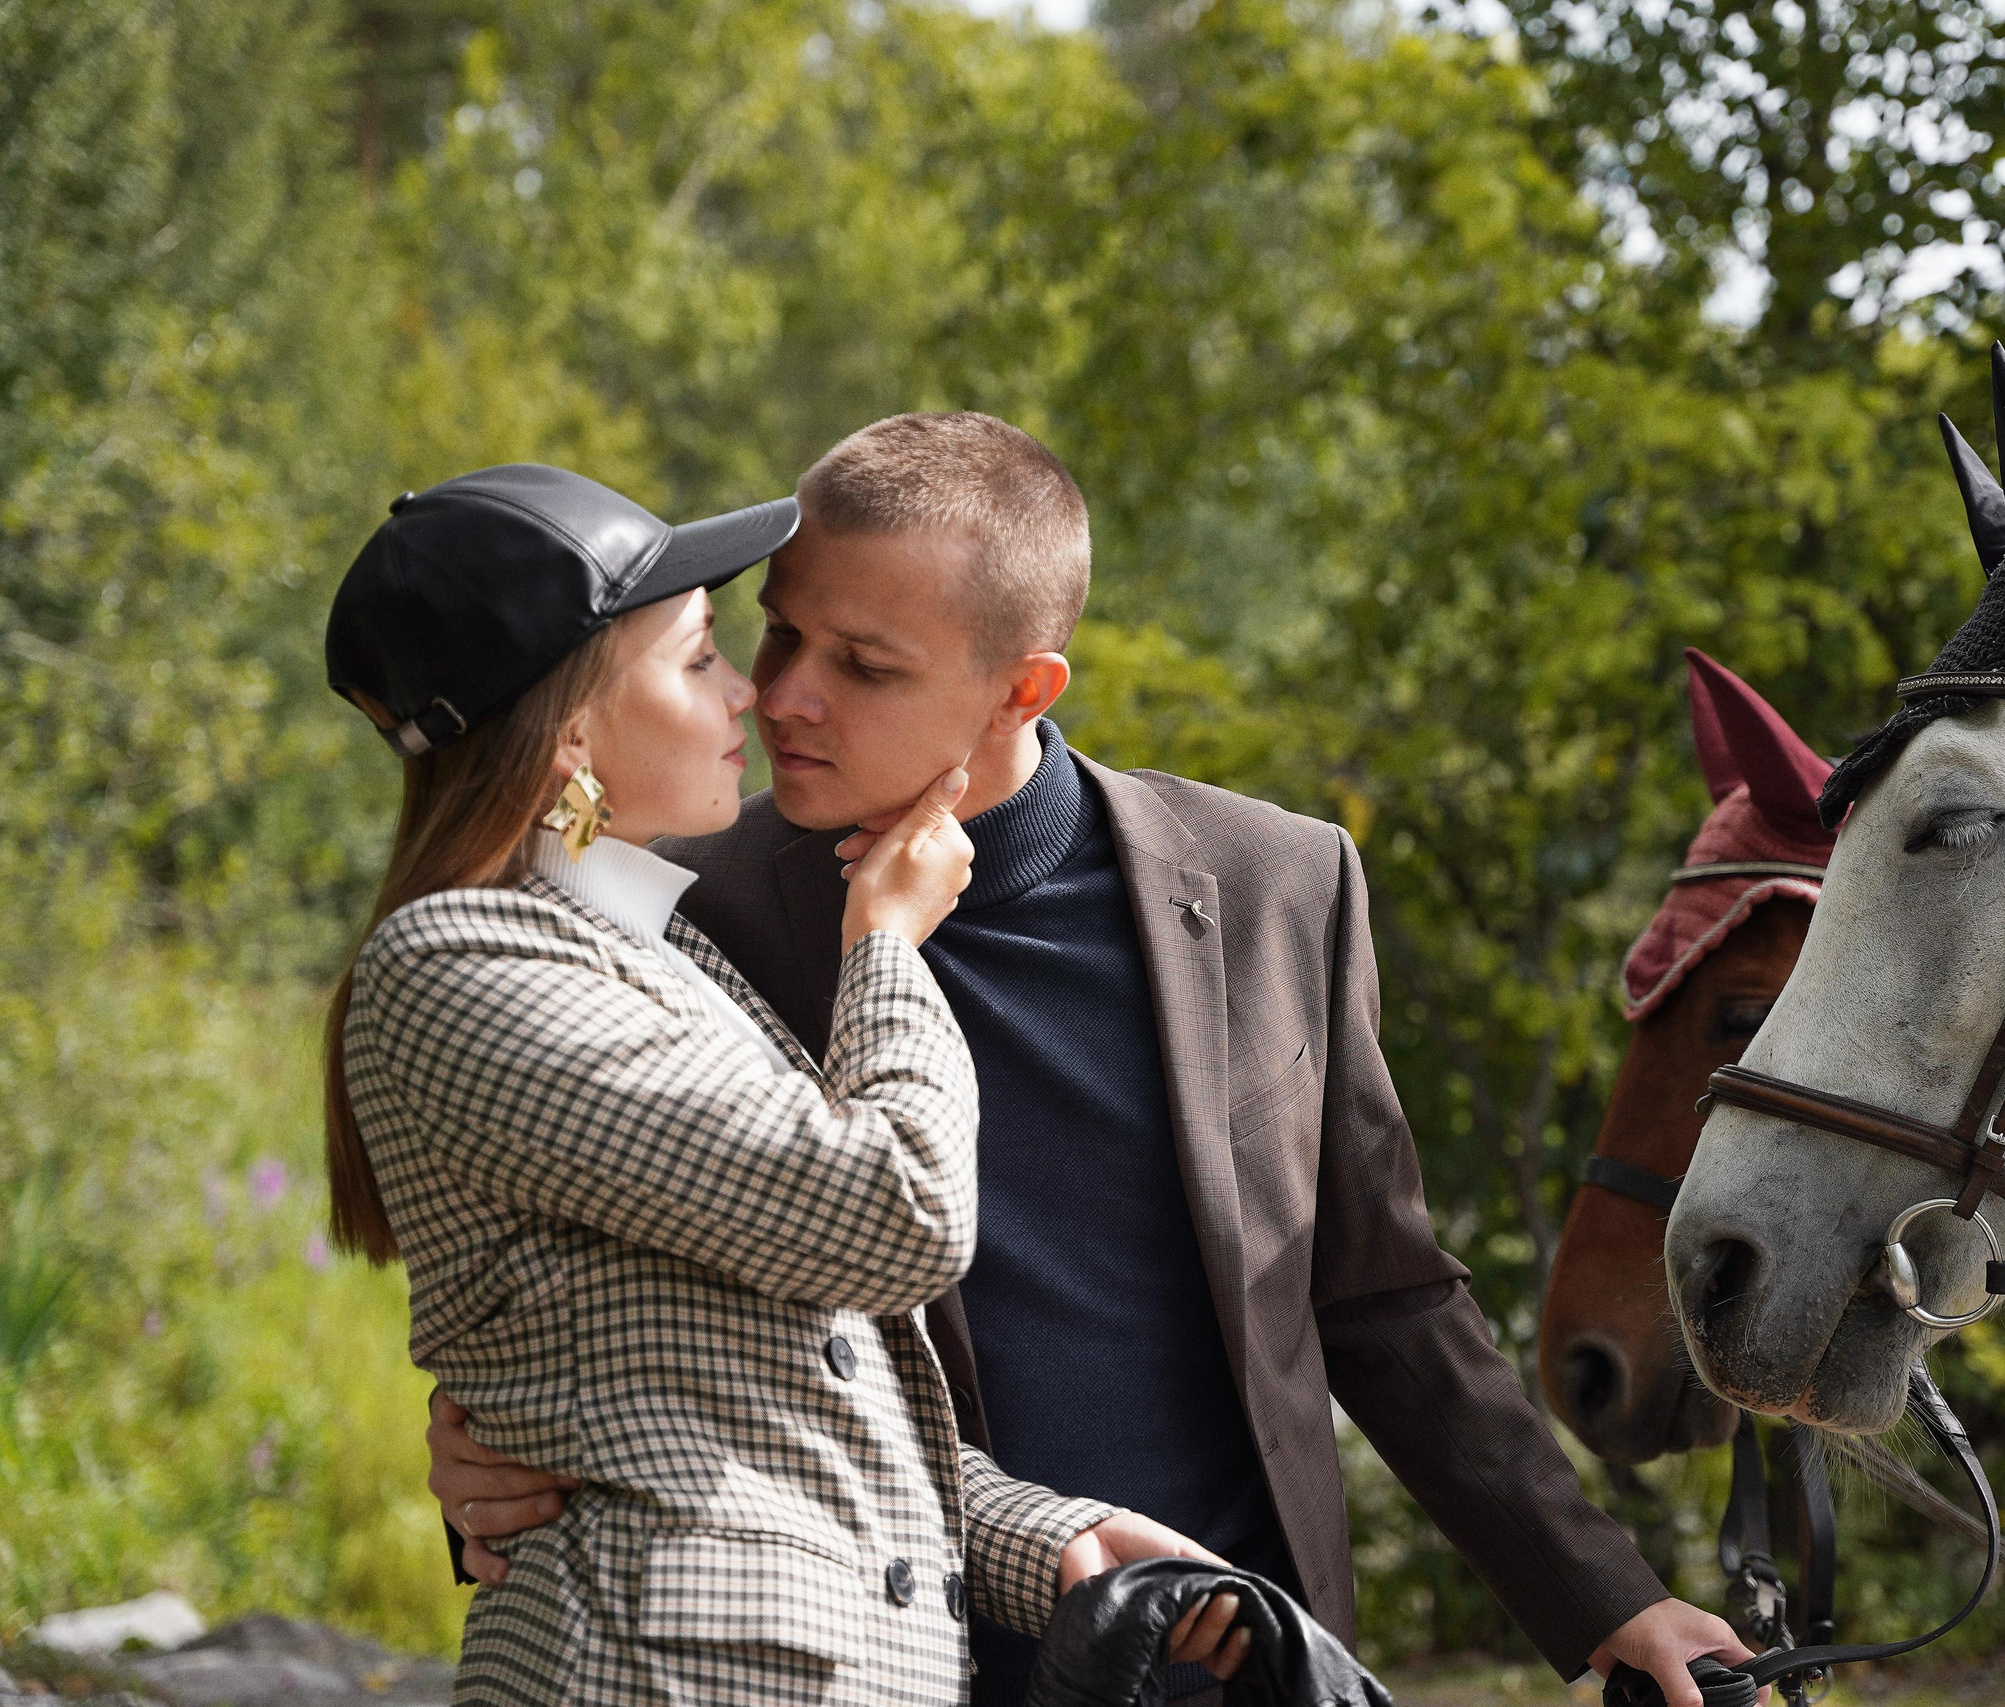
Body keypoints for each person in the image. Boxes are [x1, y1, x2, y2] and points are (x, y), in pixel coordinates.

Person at [426, 418, 1752, 1707]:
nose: (781, 693)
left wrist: (1607, 1599)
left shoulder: (1277, 881)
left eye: (866, 665)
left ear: (1026, 686)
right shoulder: (677, 908)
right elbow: (571, 1295)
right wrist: (489, 1449)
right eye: (778, 629)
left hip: (1236, 1657)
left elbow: (1385, 1297)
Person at [322, 465, 1249, 1706]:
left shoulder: (667, 954)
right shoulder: (460, 967)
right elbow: (899, 1215)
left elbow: (764, 1394)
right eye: (701, 656)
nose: (751, 695)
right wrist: (886, 945)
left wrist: (1051, 1545)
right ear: (573, 729)